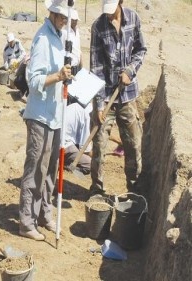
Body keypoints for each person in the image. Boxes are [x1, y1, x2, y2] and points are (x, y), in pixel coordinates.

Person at [19, 0, 72, 241]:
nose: (64, 19)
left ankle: (44, 213)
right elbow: (35, 80)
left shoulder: (60, 36)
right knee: (35, 169)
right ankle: (27, 222)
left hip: (55, 114)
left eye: (66, 16)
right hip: (40, 114)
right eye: (60, 15)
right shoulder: (42, 39)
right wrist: (58, 76)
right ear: (51, 13)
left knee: (51, 167)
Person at [89, 0, 146, 195]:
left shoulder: (133, 19)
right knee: (98, 145)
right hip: (106, 98)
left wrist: (130, 70)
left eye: (112, 11)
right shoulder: (98, 27)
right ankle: (97, 190)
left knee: (133, 146)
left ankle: (134, 189)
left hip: (128, 97)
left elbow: (141, 50)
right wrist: (98, 104)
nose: (109, 15)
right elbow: (96, 68)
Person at [64, 102, 93, 174]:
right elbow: (86, 150)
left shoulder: (75, 105)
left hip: (54, 139)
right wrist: (99, 159)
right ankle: (64, 165)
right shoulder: (87, 116)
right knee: (91, 165)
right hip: (65, 146)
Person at [61, 8, 82, 75]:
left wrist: (81, 65)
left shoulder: (77, 31)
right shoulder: (65, 33)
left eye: (76, 20)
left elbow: (79, 49)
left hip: (77, 67)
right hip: (70, 68)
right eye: (73, 20)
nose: (75, 22)